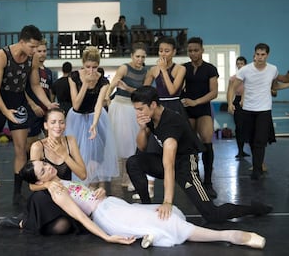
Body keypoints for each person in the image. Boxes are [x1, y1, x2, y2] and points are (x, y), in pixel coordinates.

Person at [16, 159, 266, 249]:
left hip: (111, 204)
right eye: (42, 169)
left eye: (45, 163)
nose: (48, 167)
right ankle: (230, 235)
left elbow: (83, 196)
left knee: (164, 215)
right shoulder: (57, 189)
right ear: (39, 179)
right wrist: (107, 238)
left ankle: (150, 235)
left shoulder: (60, 181)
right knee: (168, 224)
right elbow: (81, 217)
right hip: (106, 216)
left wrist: (97, 191)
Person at [126, 86, 273, 224]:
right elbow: (142, 146)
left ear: (152, 105)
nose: (137, 113)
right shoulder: (150, 117)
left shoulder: (171, 123)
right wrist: (142, 129)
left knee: (212, 215)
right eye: (136, 109)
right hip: (167, 161)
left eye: (140, 109)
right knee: (133, 162)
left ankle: (254, 208)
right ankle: (146, 206)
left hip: (185, 166)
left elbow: (169, 165)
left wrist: (167, 202)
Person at [0, 25, 57, 205]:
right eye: (32, 47)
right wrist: (5, 112)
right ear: (22, 42)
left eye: (37, 47)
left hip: (18, 101)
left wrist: (48, 104)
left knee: (21, 148)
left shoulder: (31, 59)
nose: (35, 52)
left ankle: (17, 193)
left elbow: (35, 86)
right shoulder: (2, 55)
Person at [0, 108, 88, 235]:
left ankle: (28, 220)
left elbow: (83, 174)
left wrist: (65, 156)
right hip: (44, 196)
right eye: (53, 122)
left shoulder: (70, 141)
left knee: (68, 226)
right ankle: (24, 221)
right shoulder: (38, 147)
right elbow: (32, 185)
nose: (58, 126)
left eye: (61, 122)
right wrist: (48, 184)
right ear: (46, 125)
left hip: (65, 193)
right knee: (61, 227)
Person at [228, 43, 289, 180]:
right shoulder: (245, 70)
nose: (260, 57)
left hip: (264, 110)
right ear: (254, 54)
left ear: (267, 55)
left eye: (263, 54)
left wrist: (287, 85)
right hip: (248, 109)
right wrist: (230, 102)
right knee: (251, 140)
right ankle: (257, 166)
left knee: (260, 141)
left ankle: (257, 169)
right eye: (257, 54)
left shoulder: (273, 69)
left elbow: (274, 86)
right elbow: (233, 86)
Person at [105, 42, 153, 197]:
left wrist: (128, 89)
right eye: (137, 56)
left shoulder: (146, 72)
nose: (140, 59)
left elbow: (143, 92)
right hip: (119, 106)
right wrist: (107, 98)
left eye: (143, 57)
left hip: (133, 108)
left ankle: (131, 178)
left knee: (134, 143)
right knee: (119, 143)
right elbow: (113, 84)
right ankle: (119, 179)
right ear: (132, 56)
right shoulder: (124, 67)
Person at [65, 46, 118, 187]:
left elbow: (99, 104)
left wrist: (94, 124)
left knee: (96, 155)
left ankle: (94, 185)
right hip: (76, 118)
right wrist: (85, 84)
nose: (91, 70)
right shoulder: (74, 77)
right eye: (88, 66)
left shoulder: (103, 81)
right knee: (77, 153)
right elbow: (76, 105)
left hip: (96, 116)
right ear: (83, 64)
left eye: (94, 67)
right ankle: (79, 184)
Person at [181, 37, 218, 198]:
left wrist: (195, 102)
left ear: (202, 50)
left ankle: (208, 182)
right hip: (187, 110)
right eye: (190, 50)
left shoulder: (210, 69)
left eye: (196, 50)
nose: (193, 53)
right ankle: (193, 178)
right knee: (190, 146)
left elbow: (214, 92)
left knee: (207, 141)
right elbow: (177, 88)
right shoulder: (183, 68)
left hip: (202, 109)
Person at [25, 39, 54, 154]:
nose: (42, 53)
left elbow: (50, 91)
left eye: (44, 51)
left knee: (50, 141)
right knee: (30, 144)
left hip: (45, 111)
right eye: (39, 51)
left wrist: (50, 108)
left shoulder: (48, 72)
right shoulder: (30, 70)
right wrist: (33, 105)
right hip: (33, 112)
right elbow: (23, 90)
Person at [226, 56, 250, 159]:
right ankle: (240, 151)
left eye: (242, 63)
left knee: (248, 127)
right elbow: (229, 91)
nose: (240, 65)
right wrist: (229, 104)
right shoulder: (233, 78)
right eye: (238, 63)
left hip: (249, 102)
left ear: (245, 64)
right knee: (239, 127)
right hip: (237, 102)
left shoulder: (249, 76)